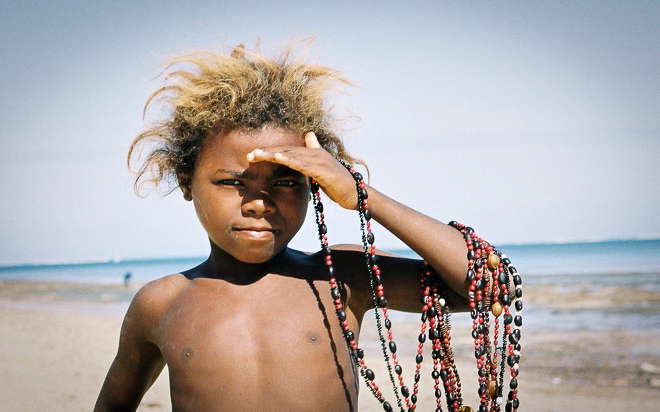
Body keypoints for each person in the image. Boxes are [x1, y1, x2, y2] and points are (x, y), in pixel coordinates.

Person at [94, 42, 471, 412]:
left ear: (315, 184)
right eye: (232, 182)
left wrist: (361, 195)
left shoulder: (341, 276)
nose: (259, 202)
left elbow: (486, 288)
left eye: (287, 182)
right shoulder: (161, 303)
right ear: (186, 182)